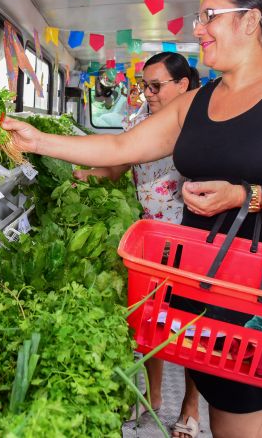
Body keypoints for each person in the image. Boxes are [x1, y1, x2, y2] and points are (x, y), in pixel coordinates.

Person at [0, 0, 262, 438]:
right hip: (200, 274)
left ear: (252, 21)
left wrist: (248, 195)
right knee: (213, 392)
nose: (199, 28)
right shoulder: (197, 102)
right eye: (199, 18)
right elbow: (120, 149)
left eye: (210, 16)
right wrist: (37, 140)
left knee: (237, 413)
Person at [73, 51, 202, 438]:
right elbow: (118, 164)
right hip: (152, 238)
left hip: (195, 240)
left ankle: (191, 406)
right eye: (144, 85)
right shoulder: (138, 123)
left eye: (156, 86)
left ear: (183, 86)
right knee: (152, 321)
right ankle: (153, 396)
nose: (148, 93)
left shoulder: (204, 128)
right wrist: (80, 174)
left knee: (195, 327)